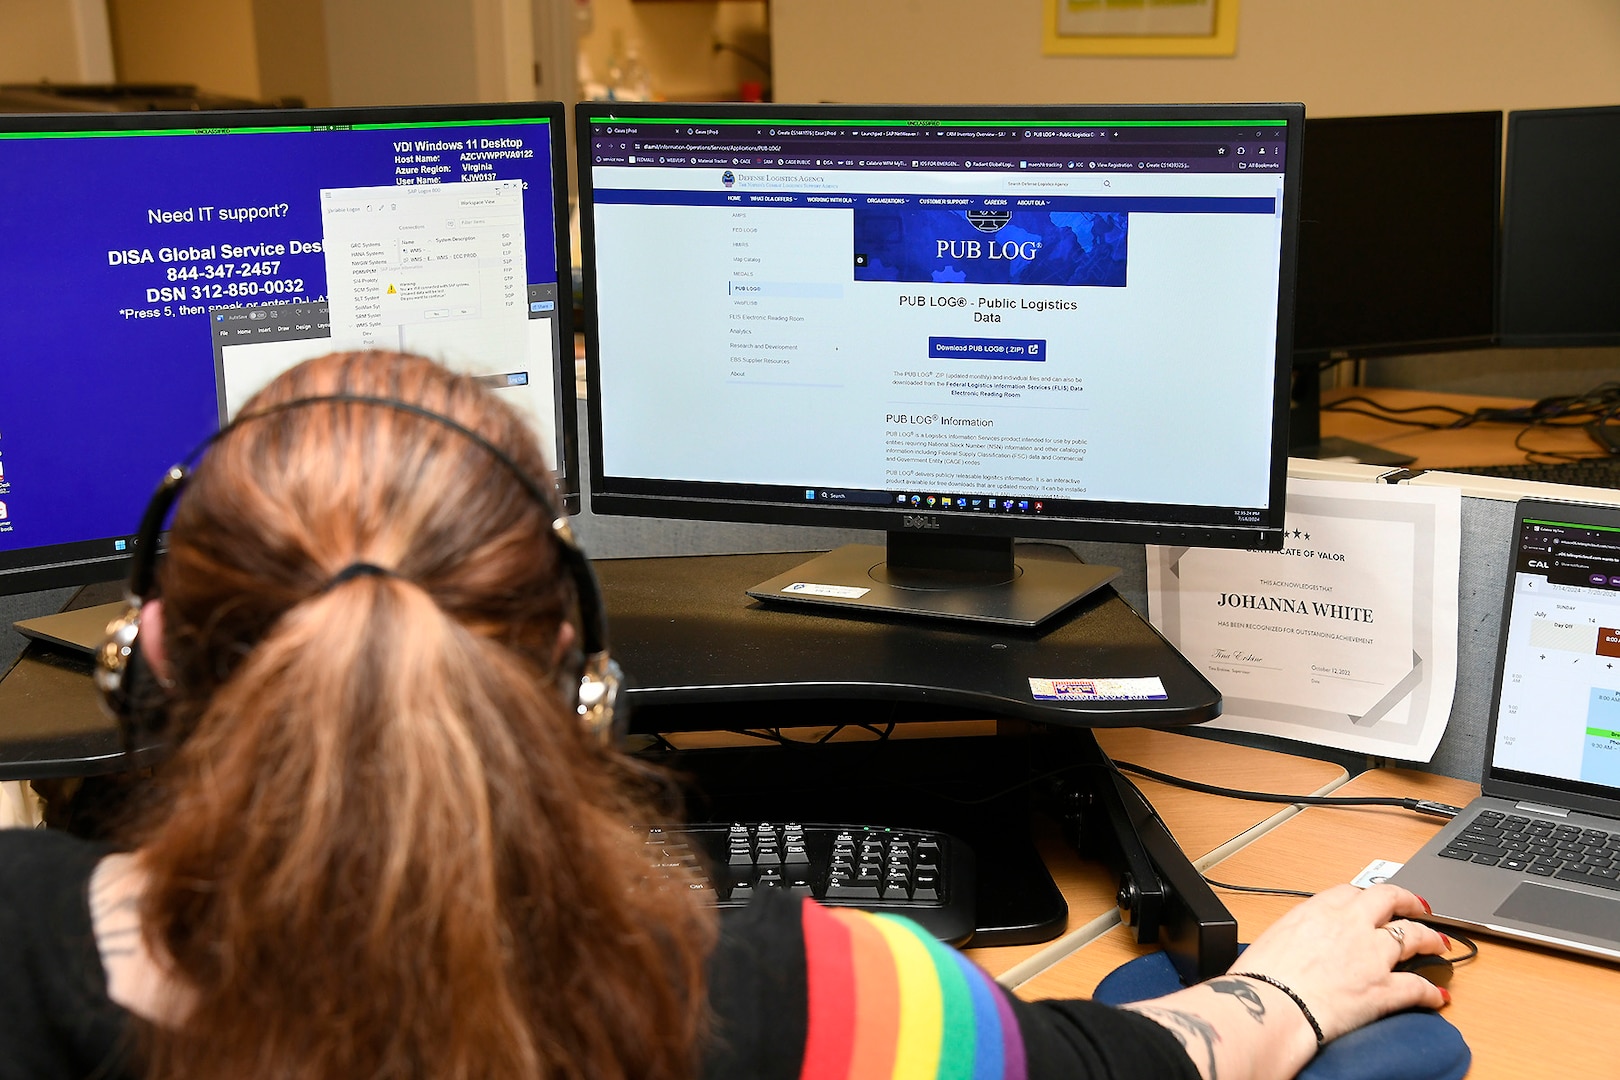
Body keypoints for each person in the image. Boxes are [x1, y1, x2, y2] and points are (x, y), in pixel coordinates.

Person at [0, 351, 1451, 1080]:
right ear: (582, 677)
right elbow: (1147, 1067)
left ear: (149, 658)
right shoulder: (792, 1001)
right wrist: (1289, 991)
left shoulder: (13, 933)